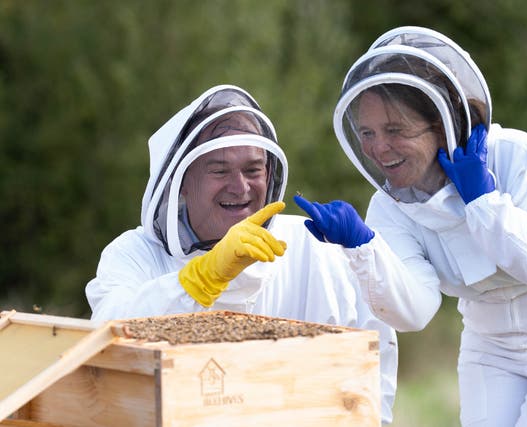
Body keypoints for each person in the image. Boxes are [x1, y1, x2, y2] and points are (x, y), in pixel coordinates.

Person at [295, 27, 527, 426]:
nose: (378, 148)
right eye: (368, 133)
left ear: (441, 124)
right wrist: (362, 248)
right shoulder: (389, 208)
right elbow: (417, 312)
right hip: (494, 344)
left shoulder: (515, 156)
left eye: (395, 130)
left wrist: (484, 203)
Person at [85, 84, 400, 424]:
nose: (240, 187)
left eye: (253, 170)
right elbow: (104, 340)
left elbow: (374, 352)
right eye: (219, 170)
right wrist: (200, 279)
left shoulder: (313, 247)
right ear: (183, 181)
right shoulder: (134, 255)